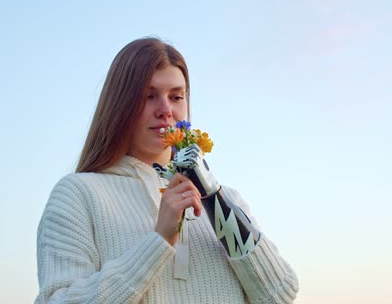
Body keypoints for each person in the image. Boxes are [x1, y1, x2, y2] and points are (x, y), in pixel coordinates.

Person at [35, 37, 299, 303]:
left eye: (176, 96)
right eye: (149, 96)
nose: (165, 110)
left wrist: (212, 196)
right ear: (119, 104)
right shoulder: (78, 194)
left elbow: (279, 295)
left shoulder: (225, 197)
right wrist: (159, 241)